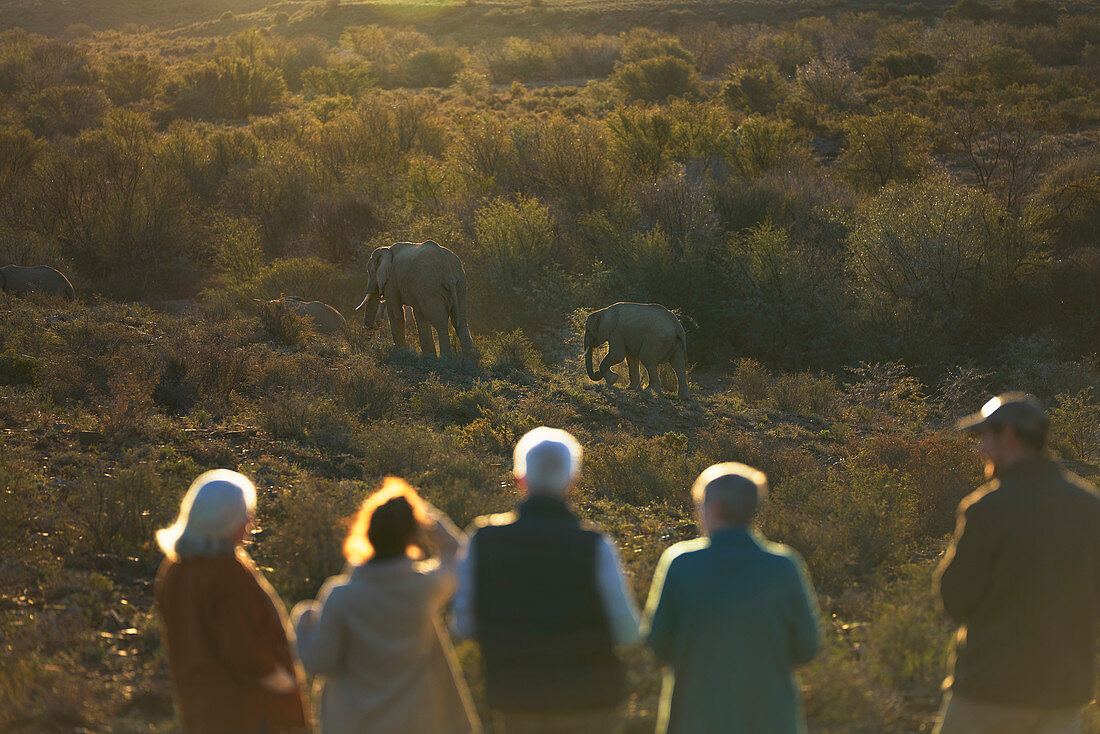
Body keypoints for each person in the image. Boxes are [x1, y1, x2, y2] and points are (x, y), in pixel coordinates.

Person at [453, 426, 642, 733]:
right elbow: (628, 632)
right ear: (573, 482)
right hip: (591, 702)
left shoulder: (482, 539)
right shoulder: (595, 544)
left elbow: (464, 626)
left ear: (519, 479)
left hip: (516, 700)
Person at [933, 392, 1100, 734]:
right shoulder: (1090, 507)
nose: (980, 449)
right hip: (1063, 695)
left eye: (985, 438)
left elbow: (955, 599)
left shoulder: (987, 508)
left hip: (990, 692)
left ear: (1008, 436)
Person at [292, 478, 480, 734]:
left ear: (367, 531)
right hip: (415, 723)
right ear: (412, 534)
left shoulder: (340, 597)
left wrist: (303, 620)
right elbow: (456, 552)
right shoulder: (422, 589)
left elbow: (319, 663)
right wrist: (422, 514)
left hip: (352, 725)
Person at [644, 462, 820, 734]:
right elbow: (807, 646)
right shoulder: (784, 566)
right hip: (770, 717)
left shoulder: (680, 563)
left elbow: (658, 643)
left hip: (696, 716)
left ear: (711, 507)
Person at [155, 469, 310, 734]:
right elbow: (245, 650)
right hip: (245, 712)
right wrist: (283, 680)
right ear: (224, 519)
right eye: (244, 515)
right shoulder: (225, 573)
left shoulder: (174, 569)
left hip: (199, 708)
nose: (250, 522)